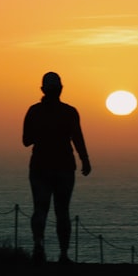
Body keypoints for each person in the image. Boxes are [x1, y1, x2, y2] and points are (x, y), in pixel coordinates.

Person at [22, 71, 91, 265]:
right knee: (62, 211)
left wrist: (42, 133)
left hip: (40, 167)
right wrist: (85, 159)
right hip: (64, 167)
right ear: (61, 89)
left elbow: (26, 140)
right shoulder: (69, 112)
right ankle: (63, 254)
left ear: (43, 90)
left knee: (40, 208)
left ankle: (39, 248)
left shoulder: (34, 111)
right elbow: (77, 138)